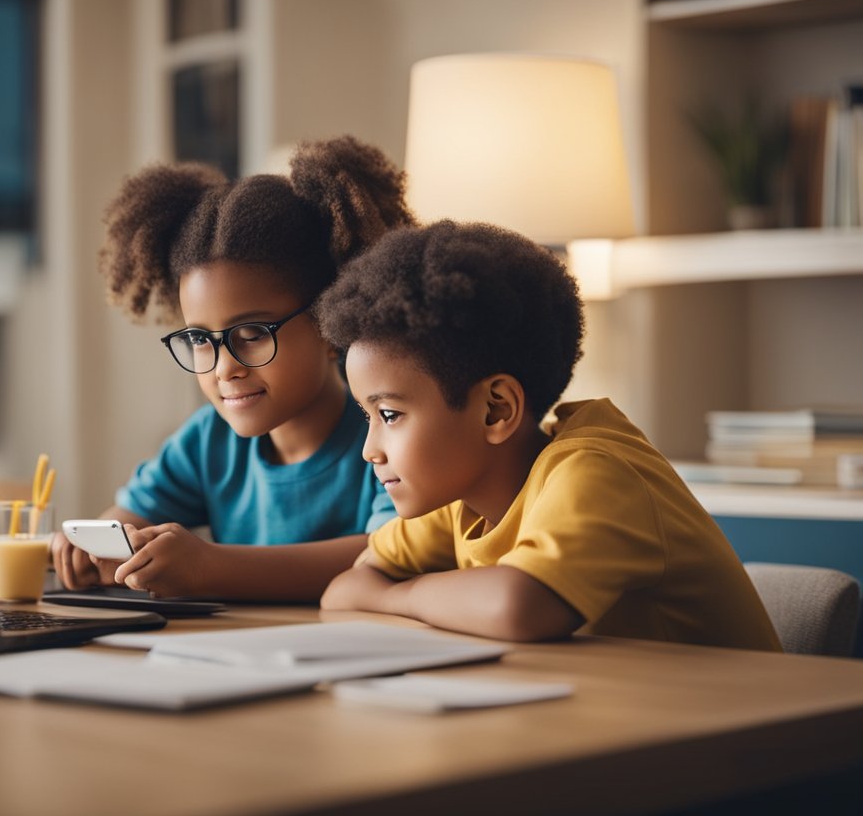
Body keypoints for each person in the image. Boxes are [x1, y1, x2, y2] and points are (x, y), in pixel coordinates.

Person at [315, 220, 781, 650]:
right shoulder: (461, 499)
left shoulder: (595, 471)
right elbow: (346, 590)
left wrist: (402, 595)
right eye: (367, 415)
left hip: (744, 732)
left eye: (390, 415)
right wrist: (391, 589)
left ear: (496, 410)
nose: (370, 450)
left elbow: (518, 606)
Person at [51, 136, 416, 601]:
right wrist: (96, 543)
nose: (225, 368)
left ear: (329, 323)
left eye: (253, 334)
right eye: (201, 339)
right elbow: (131, 515)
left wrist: (212, 567)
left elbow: (384, 553)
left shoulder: (389, 438)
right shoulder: (208, 440)